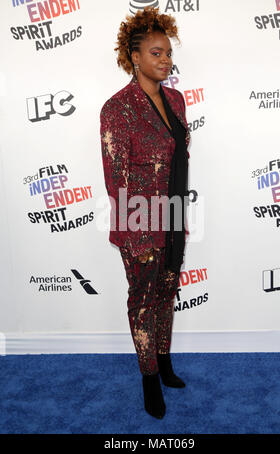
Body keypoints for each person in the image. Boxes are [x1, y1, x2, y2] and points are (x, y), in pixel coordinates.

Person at [100, 6, 190, 419]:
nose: (165, 60)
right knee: (143, 300)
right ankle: (149, 379)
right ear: (135, 57)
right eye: (156, 53)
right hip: (138, 222)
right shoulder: (117, 109)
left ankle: (166, 362)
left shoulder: (176, 100)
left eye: (168, 53)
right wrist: (133, 232)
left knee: (167, 294)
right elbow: (114, 179)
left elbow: (179, 160)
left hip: (172, 214)